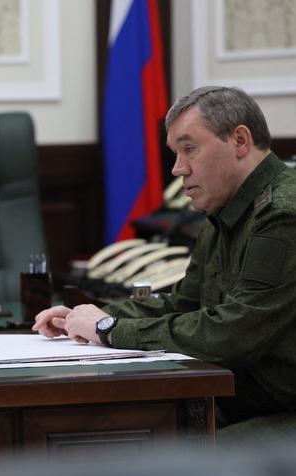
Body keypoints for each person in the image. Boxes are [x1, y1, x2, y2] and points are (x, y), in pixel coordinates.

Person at [33, 86, 296, 442]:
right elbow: (184, 304)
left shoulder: (282, 214)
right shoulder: (225, 212)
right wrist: (88, 318)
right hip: (243, 399)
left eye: (189, 149)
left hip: (279, 408)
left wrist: (110, 329)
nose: (177, 169)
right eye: (175, 153)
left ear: (239, 140)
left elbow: (235, 332)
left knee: (173, 457)